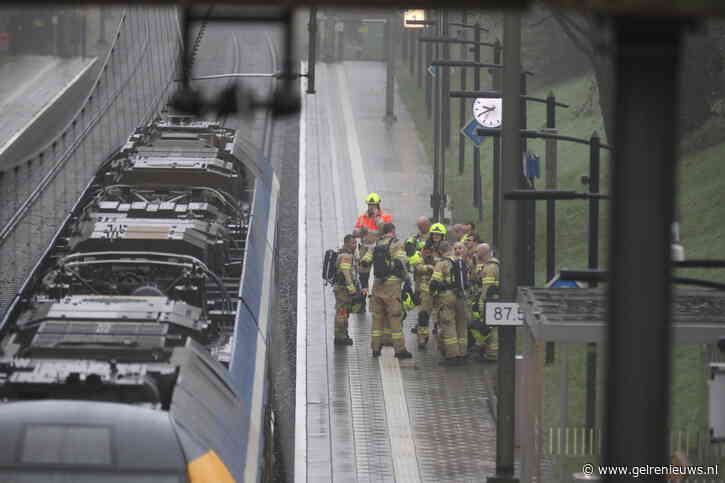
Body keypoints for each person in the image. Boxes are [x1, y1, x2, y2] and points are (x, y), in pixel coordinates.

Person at [361, 223, 413, 359]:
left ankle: (375, 348)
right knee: (395, 317)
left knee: (377, 318)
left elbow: (365, 261)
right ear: (393, 231)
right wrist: (407, 278)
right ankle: (400, 349)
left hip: (378, 285)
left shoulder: (376, 244)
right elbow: (401, 262)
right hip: (392, 285)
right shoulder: (396, 243)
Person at [430, 241, 469, 365]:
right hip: (462, 297)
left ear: (440, 252)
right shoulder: (461, 262)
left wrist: (431, 294)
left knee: (448, 325)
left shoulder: (442, 263)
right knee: (461, 325)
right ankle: (463, 354)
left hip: (447, 297)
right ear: (451, 248)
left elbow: (434, 282)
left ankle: (452, 356)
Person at [353, 192, 393, 307]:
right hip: (364, 249)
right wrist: (360, 232)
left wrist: (376, 218)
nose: (371, 207)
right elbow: (355, 232)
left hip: (379, 251)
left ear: (378, 205)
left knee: (380, 274)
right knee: (363, 274)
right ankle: (362, 301)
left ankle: (379, 301)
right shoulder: (362, 217)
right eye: (370, 205)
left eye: (373, 205)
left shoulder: (385, 217)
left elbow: (386, 231)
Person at [333, 235, 360, 345]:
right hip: (343, 290)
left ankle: (343, 333)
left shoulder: (348, 254)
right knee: (341, 313)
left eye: (356, 243)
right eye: (353, 243)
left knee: (344, 313)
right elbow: (346, 274)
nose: (355, 245)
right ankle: (340, 337)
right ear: (347, 243)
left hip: (344, 290)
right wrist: (353, 290)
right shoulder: (346, 256)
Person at [478, 243, 500, 361]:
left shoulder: (490, 267)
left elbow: (487, 288)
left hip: (491, 302)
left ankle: (492, 354)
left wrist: (483, 303)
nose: (476, 254)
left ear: (483, 253)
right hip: (493, 301)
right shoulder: (492, 265)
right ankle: (489, 350)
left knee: (492, 328)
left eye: (478, 252)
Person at [412, 243, 436, 348]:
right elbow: (419, 268)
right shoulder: (419, 260)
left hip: (437, 293)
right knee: (423, 315)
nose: (427, 254)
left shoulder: (437, 260)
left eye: (429, 252)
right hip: (423, 293)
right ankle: (422, 337)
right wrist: (430, 267)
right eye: (425, 251)